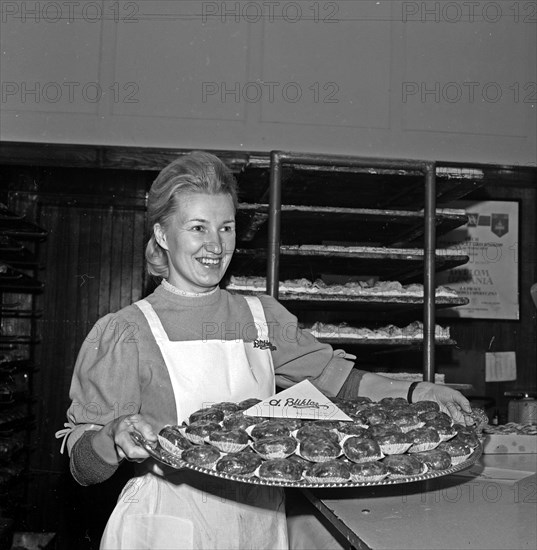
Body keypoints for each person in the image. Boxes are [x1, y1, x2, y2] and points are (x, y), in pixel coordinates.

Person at [57, 151, 473, 550]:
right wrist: (110, 439)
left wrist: (418, 392)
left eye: (226, 227)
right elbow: (81, 465)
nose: (216, 246)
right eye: (198, 227)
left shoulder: (261, 317)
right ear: (163, 235)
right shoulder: (125, 331)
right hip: (169, 522)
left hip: (259, 521)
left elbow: (342, 382)